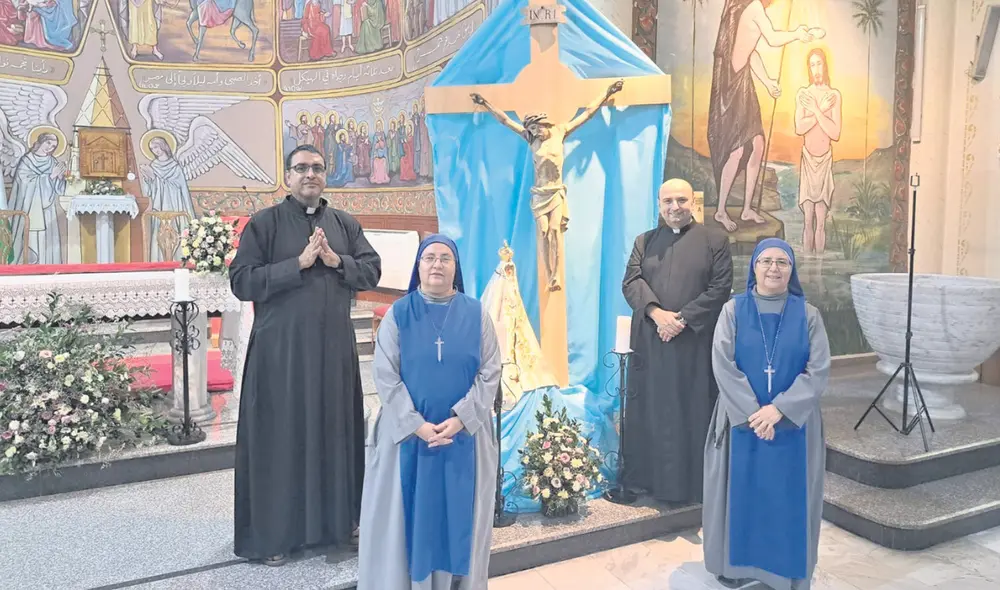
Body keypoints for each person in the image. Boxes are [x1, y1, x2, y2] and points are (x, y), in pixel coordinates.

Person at [229, 144, 382, 566]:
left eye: (317, 167)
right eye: (301, 168)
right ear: (288, 176)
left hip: (332, 354)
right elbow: (241, 281)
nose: (310, 174)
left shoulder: (345, 224)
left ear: (326, 175)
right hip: (281, 356)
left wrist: (336, 260)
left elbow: (372, 270)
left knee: (334, 434)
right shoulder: (264, 224)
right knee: (282, 439)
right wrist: (296, 263)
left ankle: (338, 525)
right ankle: (274, 536)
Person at [358, 234, 501, 590]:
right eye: (429, 257)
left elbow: (490, 371)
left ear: (456, 267)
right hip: (408, 438)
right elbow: (385, 374)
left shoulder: (477, 314)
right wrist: (416, 425)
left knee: (459, 519)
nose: (437, 264)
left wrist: (463, 419)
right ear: (418, 266)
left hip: (464, 438)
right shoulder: (399, 314)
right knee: (408, 521)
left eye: (445, 258)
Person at [703, 238, 830, 589]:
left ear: (792, 269)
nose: (774, 268)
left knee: (785, 500)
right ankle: (734, 568)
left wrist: (779, 410)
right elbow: (722, 362)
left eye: (782, 262)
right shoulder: (733, 310)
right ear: (754, 267)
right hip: (740, 419)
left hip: (793, 425)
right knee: (741, 496)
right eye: (766, 261)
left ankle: (784, 572)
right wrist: (753, 412)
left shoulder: (809, 315)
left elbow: (818, 369)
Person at [621, 178, 734, 506]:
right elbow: (631, 282)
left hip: (693, 346)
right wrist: (658, 315)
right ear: (659, 204)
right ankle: (647, 482)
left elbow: (720, 288)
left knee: (691, 411)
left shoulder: (714, 240)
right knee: (651, 411)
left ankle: (692, 486)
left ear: (693, 202)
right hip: (651, 344)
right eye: (668, 201)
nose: (675, 207)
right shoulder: (644, 241)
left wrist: (681, 320)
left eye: (681, 200)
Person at [707, 0, 820, 232]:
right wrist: (797, 34)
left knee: (757, 144)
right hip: (732, 87)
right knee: (736, 149)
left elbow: (751, 51)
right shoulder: (753, 7)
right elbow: (773, 38)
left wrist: (767, 81)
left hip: (743, 82)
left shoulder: (744, 8)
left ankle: (747, 208)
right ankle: (720, 210)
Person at [795, 48, 842, 255]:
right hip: (808, 161)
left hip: (824, 162)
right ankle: (806, 265)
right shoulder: (804, 95)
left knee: (821, 221)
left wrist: (816, 110)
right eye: (812, 64)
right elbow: (799, 128)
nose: (816, 69)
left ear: (825, 65)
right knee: (808, 220)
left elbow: (835, 132)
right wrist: (819, 110)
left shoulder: (834, 96)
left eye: (819, 63)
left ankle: (820, 266)